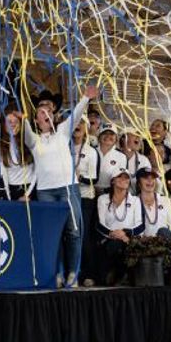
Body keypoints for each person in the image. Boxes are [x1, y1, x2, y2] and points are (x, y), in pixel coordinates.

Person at [24, 85, 98, 289]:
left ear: (54, 116)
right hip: (45, 192)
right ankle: (57, 272)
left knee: (73, 231)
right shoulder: (34, 140)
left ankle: (73, 272)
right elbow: (25, 130)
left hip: (68, 188)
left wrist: (85, 98)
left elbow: (76, 114)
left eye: (48, 111)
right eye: (40, 112)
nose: (45, 113)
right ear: (37, 120)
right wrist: (22, 114)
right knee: (53, 234)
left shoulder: (63, 132)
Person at [95, 168, 144, 285]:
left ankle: (120, 275)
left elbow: (140, 225)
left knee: (122, 246)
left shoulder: (135, 200)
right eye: (120, 177)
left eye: (126, 177)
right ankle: (117, 275)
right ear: (113, 181)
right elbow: (100, 224)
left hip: (129, 239)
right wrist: (113, 234)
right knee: (114, 245)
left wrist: (126, 234)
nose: (124, 180)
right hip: (109, 239)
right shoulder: (103, 199)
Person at [73, 118, 100, 286]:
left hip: (84, 198)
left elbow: (94, 179)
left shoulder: (91, 151)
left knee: (83, 236)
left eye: (81, 123)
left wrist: (79, 177)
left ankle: (88, 273)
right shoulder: (64, 147)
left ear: (86, 129)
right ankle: (71, 272)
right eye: (75, 122)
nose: (77, 126)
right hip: (68, 196)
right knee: (69, 236)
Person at [0, 107, 36, 200]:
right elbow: (4, 174)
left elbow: (36, 171)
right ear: (4, 125)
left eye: (16, 121)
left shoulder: (29, 143)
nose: (13, 124)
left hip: (31, 188)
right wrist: (8, 197)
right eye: (9, 121)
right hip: (11, 189)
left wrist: (27, 194)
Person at [136, 168, 171, 237]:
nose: (150, 181)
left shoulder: (165, 200)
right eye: (146, 178)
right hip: (142, 244)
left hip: (165, 243)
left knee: (163, 231)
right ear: (139, 182)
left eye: (153, 178)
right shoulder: (133, 202)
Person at [94, 123, 127, 195]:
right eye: (104, 133)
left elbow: (120, 178)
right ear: (99, 137)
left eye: (111, 134)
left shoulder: (121, 156)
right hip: (90, 192)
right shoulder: (91, 152)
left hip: (110, 193)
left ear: (116, 138)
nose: (108, 136)